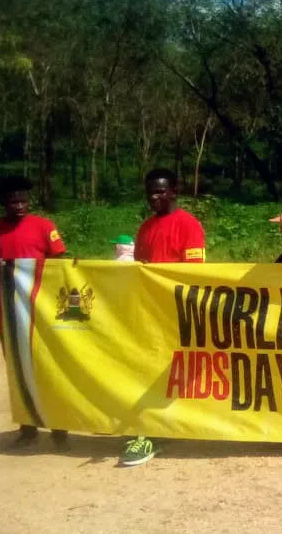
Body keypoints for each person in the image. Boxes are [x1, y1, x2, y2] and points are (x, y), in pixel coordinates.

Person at [120, 168, 207, 467]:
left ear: (173, 192)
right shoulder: (145, 229)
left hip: (175, 312)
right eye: (150, 193)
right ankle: (150, 427)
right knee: (148, 371)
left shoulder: (189, 226)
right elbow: (140, 269)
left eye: (159, 191)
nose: (154, 197)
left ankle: (163, 428)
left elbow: (193, 272)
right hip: (149, 312)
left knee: (173, 372)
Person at [0, 175, 68, 448]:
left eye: (23, 200)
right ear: (3, 202)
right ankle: (27, 426)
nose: (19, 205)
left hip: (40, 309)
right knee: (17, 367)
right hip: (8, 310)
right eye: (13, 201)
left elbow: (58, 260)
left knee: (47, 366)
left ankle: (59, 425)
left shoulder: (44, 226)